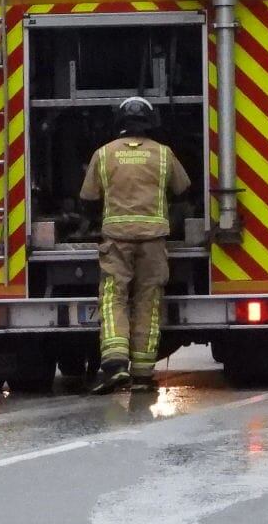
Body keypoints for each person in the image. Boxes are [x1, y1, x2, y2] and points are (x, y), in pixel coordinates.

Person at [80, 96, 189, 393]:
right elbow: (183, 189)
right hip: (153, 241)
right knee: (148, 302)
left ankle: (115, 364)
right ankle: (142, 374)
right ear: (151, 123)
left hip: (116, 240)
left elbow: (88, 199)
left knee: (114, 298)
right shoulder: (164, 154)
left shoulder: (103, 154)